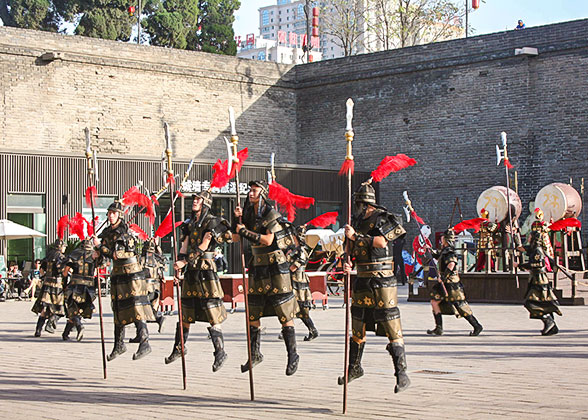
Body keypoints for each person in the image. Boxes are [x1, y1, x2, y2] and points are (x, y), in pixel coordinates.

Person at [338, 181, 410, 393]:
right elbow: (350, 248)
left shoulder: (384, 219)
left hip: (381, 279)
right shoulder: (357, 221)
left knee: (390, 324)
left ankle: (401, 373)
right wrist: (347, 259)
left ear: (365, 204)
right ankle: (354, 367)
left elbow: (380, 242)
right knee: (358, 325)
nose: (356, 208)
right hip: (362, 278)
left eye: (358, 203)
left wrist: (356, 237)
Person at [233, 180, 300, 376]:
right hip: (257, 265)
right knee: (253, 312)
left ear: (262, 193)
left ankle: (293, 354)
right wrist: (237, 221)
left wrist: (243, 231)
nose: (250, 193)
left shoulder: (271, 214)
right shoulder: (247, 214)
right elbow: (236, 238)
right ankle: (255, 354)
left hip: (275, 266)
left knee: (283, 312)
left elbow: (268, 240)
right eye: (249, 190)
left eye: (254, 191)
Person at [165, 191, 233, 372]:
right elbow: (185, 245)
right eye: (194, 199)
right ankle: (179, 347)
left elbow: (204, 245)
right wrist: (179, 265)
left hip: (206, 269)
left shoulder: (211, 221)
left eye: (198, 199)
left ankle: (220, 351)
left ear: (206, 203)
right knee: (185, 311)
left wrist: (185, 261)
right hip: (192, 271)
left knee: (211, 312)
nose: (194, 202)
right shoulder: (190, 223)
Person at [97, 200, 155, 361]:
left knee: (136, 307)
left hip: (131, 274)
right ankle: (119, 344)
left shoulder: (124, 233)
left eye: (113, 213)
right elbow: (104, 256)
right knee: (118, 307)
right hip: (118, 274)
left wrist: (100, 248)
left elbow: (117, 254)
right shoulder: (107, 232)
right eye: (109, 213)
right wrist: (97, 254)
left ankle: (144, 342)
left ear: (120, 216)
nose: (110, 216)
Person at [427, 228, 483, 336]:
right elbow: (439, 257)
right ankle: (438, 328)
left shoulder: (450, 252)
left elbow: (451, 264)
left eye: (443, 237)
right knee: (435, 301)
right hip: (444, 282)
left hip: (451, 283)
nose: (441, 239)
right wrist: (430, 251)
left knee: (460, 305)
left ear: (446, 239)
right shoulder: (445, 250)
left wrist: (443, 277)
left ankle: (477, 326)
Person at [516, 230, 562, 335]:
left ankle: (548, 320)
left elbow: (538, 264)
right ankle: (552, 326)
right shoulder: (533, 249)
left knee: (532, 303)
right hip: (535, 278)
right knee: (542, 302)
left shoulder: (537, 250)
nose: (528, 238)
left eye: (530, 237)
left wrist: (520, 265)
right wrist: (516, 240)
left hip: (539, 280)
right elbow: (524, 248)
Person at [279, 224, 319, 342]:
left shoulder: (301, 251)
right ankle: (284, 330)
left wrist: (283, 271)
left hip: (298, 282)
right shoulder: (292, 249)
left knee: (302, 310)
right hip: (291, 281)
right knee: (287, 307)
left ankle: (313, 330)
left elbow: (294, 266)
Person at [130, 237, 166, 343]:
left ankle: (158, 318)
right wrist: (158, 246)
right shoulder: (157, 259)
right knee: (146, 310)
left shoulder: (141, 259)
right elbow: (163, 259)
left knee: (139, 311)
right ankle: (140, 334)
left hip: (144, 288)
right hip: (155, 288)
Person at [61, 239, 97, 341]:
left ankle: (79, 326)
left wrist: (64, 282)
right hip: (89, 287)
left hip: (75, 284)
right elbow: (101, 266)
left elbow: (65, 271)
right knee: (80, 309)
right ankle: (66, 333)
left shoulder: (74, 254)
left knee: (72, 308)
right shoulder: (94, 255)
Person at [31, 240, 67, 336]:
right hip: (57, 283)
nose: (65, 248)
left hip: (47, 282)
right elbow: (61, 270)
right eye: (64, 247)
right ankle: (50, 323)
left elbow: (41, 270)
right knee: (60, 307)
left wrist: (44, 277)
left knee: (45, 307)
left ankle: (38, 330)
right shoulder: (60, 257)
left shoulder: (48, 255)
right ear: (60, 247)